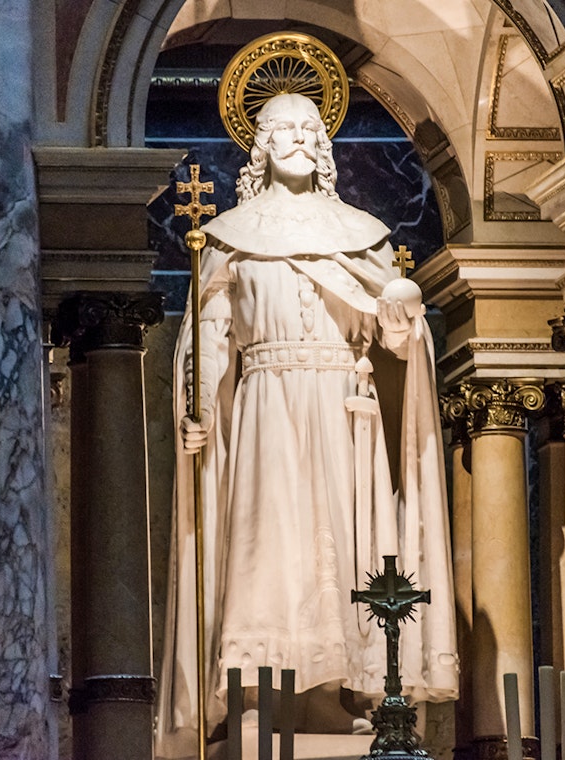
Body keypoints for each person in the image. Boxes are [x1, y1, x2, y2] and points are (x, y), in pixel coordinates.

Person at [157, 93, 457, 754]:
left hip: (344, 408)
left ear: (323, 146)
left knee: (344, 545)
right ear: (258, 146)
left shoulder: (362, 232)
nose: (296, 138)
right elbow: (209, 336)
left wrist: (402, 313)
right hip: (265, 407)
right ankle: (262, 693)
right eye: (281, 130)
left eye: (307, 129)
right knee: (269, 545)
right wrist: (196, 405)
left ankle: (332, 690)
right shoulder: (232, 235)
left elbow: (395, 340)